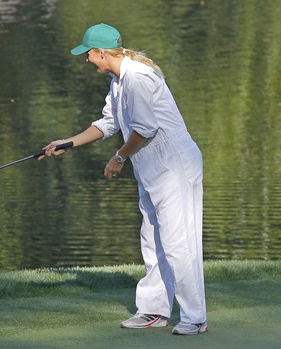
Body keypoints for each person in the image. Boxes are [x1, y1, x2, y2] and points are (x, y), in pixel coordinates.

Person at [40, 23, 207, 335]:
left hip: (174, 166)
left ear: (103, 53)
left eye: (88, 53)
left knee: (177, 241)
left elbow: (145, 128)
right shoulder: (119, 81)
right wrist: (68, 142)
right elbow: (108, 123)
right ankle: (154, 310)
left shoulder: (138, 78)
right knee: (152, 239)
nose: (86, 59)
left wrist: (119, 158)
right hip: (153, 168)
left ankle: (195, 317)